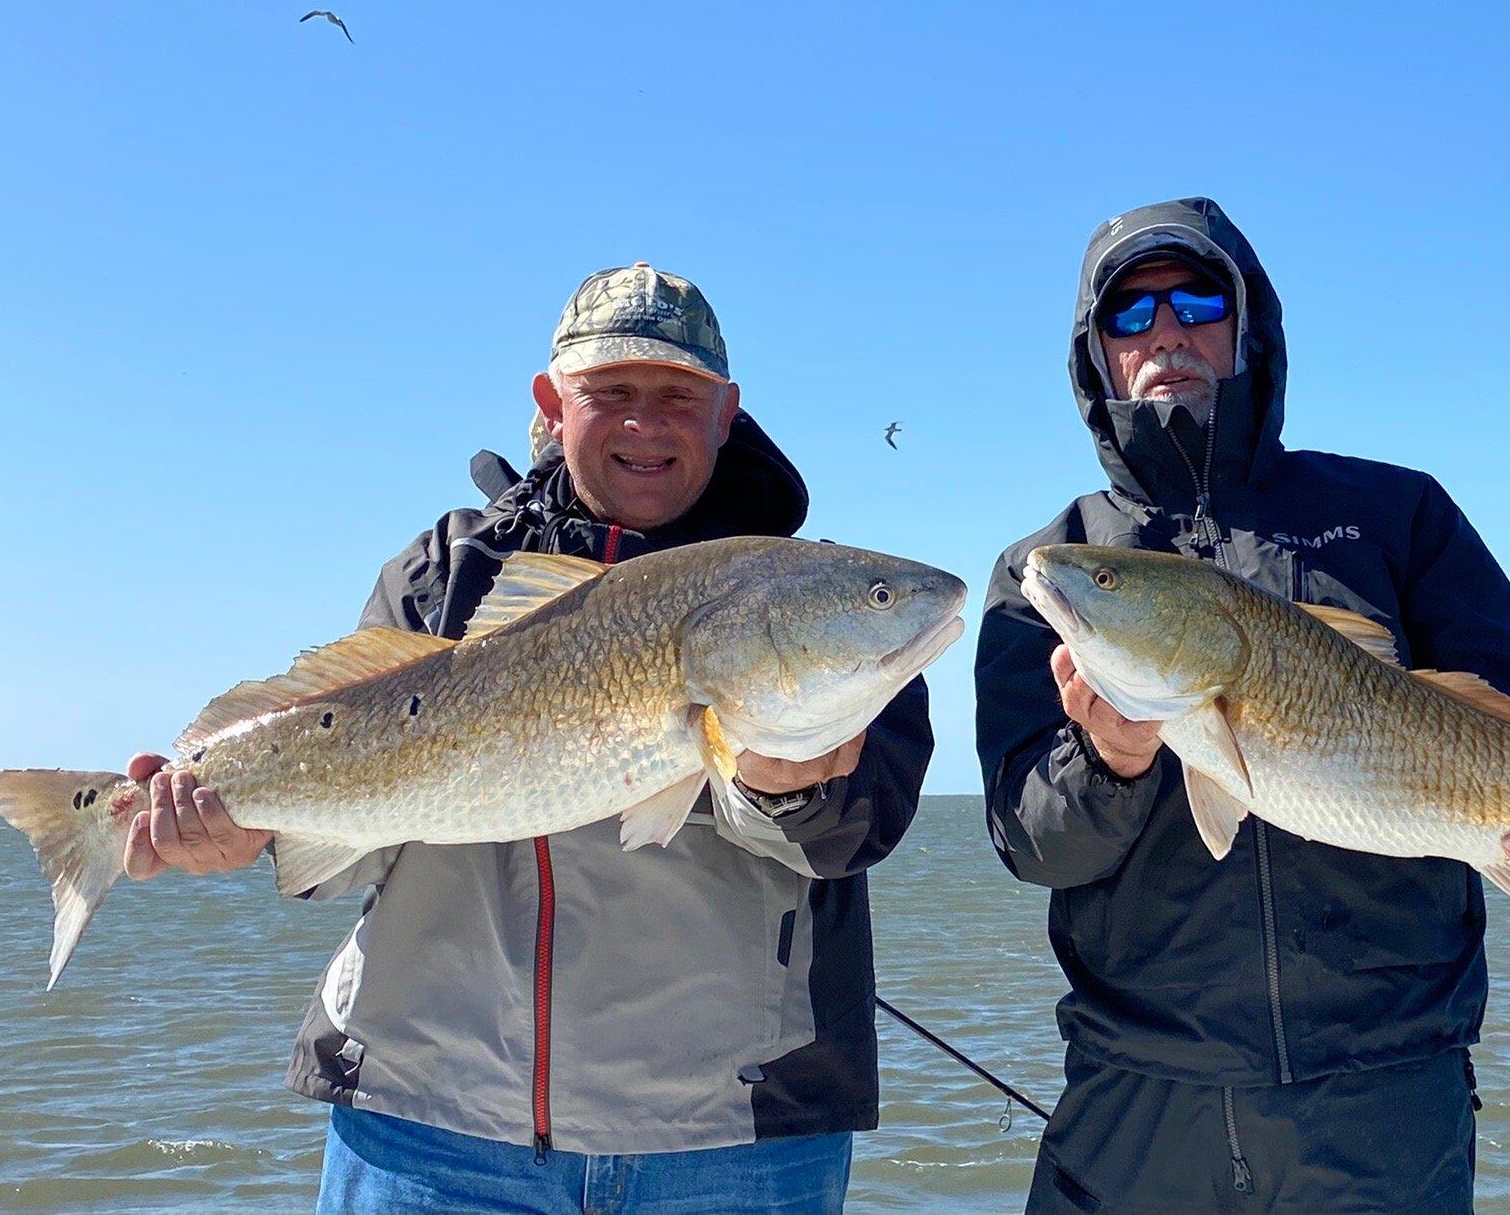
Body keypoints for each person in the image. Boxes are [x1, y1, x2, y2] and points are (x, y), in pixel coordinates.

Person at [125, 263, 934, 1214]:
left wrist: (792, 785)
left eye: (679, 395)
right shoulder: (441, 576)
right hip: (426, 1132)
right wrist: (241, 827)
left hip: (733, 1145)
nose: (646, 422)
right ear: (553, 403)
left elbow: (855, 832)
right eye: (611, 393)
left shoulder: (808, 596)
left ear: (726, 413)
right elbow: (349, 850)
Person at [975, 198, 1510, 1213]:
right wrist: (1110, 762)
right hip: (1138, 1101)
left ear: (1247, 322)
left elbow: (1508, 713)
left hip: (1385, 1095)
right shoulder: (1049, 570)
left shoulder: (1397, 514)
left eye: (1196, 298)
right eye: (1127, 316)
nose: (1164, 331)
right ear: (1095, 359)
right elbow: (1033, 845)